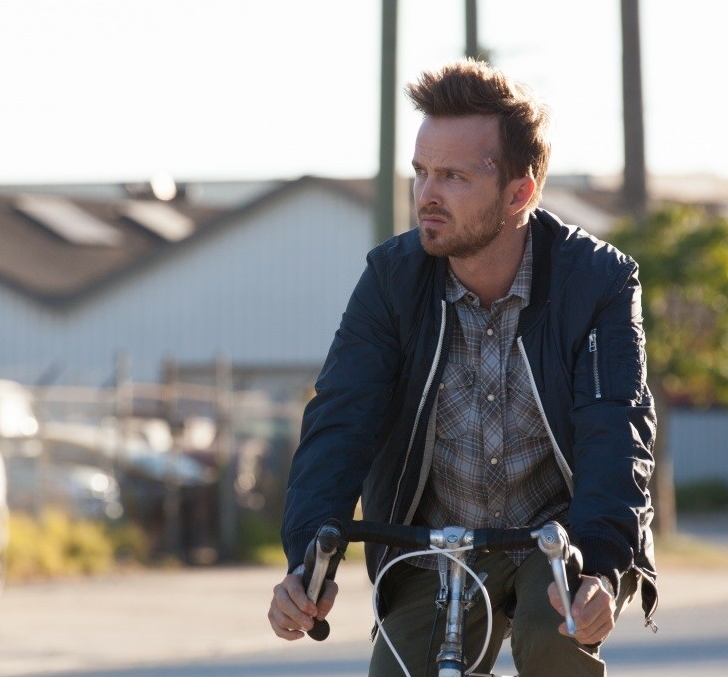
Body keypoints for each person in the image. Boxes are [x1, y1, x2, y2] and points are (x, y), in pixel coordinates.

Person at [267, 58, 658, 677]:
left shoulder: (598, 281)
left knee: (554, 642)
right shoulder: (390, 281)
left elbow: (617, 429)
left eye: (453, 176)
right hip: (434, 545)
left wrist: (604, 567)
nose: (427, 194)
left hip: (557, 541)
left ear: (519, 193)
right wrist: (307, 564)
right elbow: (340, 423)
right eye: (421, 172)